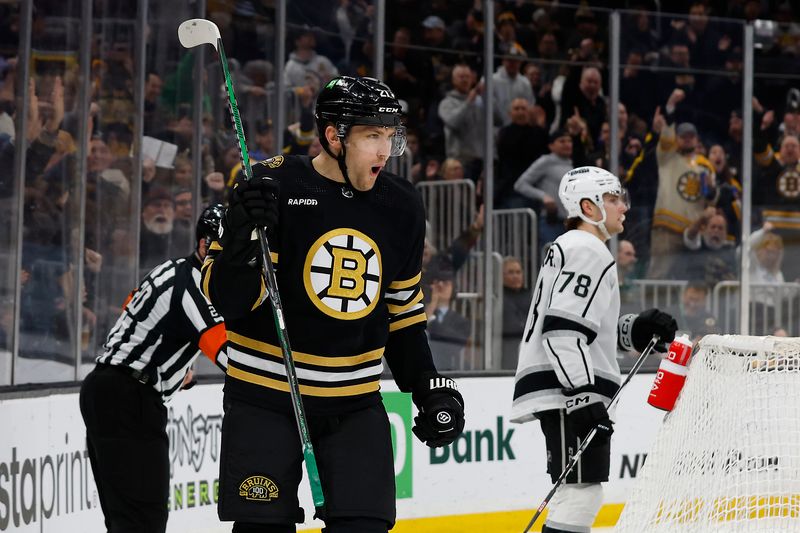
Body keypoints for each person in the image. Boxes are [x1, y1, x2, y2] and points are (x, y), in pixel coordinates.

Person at [201, 76, 465, 533]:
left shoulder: (401, 205)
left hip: (355, 403)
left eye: (390, 136)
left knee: (366, 525)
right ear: (333, 136)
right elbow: (232, 302)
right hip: (265, 398)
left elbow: (403, 314)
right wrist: (242, 233)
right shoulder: (271, 183)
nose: (385, 151)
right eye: (371, 136)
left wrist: (428, 386)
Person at [511, 166, 677, 533]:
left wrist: (635, 330)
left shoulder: (573, 247)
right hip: (566, 390)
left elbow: (586, 331)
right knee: (581, 494)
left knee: (579, 493)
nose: (623, 208)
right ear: (588, 206)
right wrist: (582, 396)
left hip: (561, 387)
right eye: (613, 198)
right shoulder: (586, 249)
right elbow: (562, 333)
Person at [79, 204, 229, 533]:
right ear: (205, 246)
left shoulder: (170, 270)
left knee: (125, 517)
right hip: (130, 398)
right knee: (143, 519)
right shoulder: (195, 287)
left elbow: (133, 309)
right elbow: (229, 357)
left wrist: (177, 368)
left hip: (105, 388)